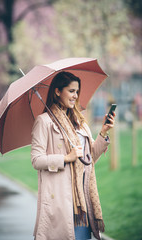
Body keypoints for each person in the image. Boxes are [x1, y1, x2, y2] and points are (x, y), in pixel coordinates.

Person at [31, 71, 115, 240]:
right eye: (71, 91)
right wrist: (65, 158)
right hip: (60, 198)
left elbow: (89, 159)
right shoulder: (44, 122)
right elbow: (36, 160)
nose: (75, 96)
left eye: (77, 91)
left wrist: (103, 133)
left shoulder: (79, 121)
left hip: (82, 200)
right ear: (57, 91)